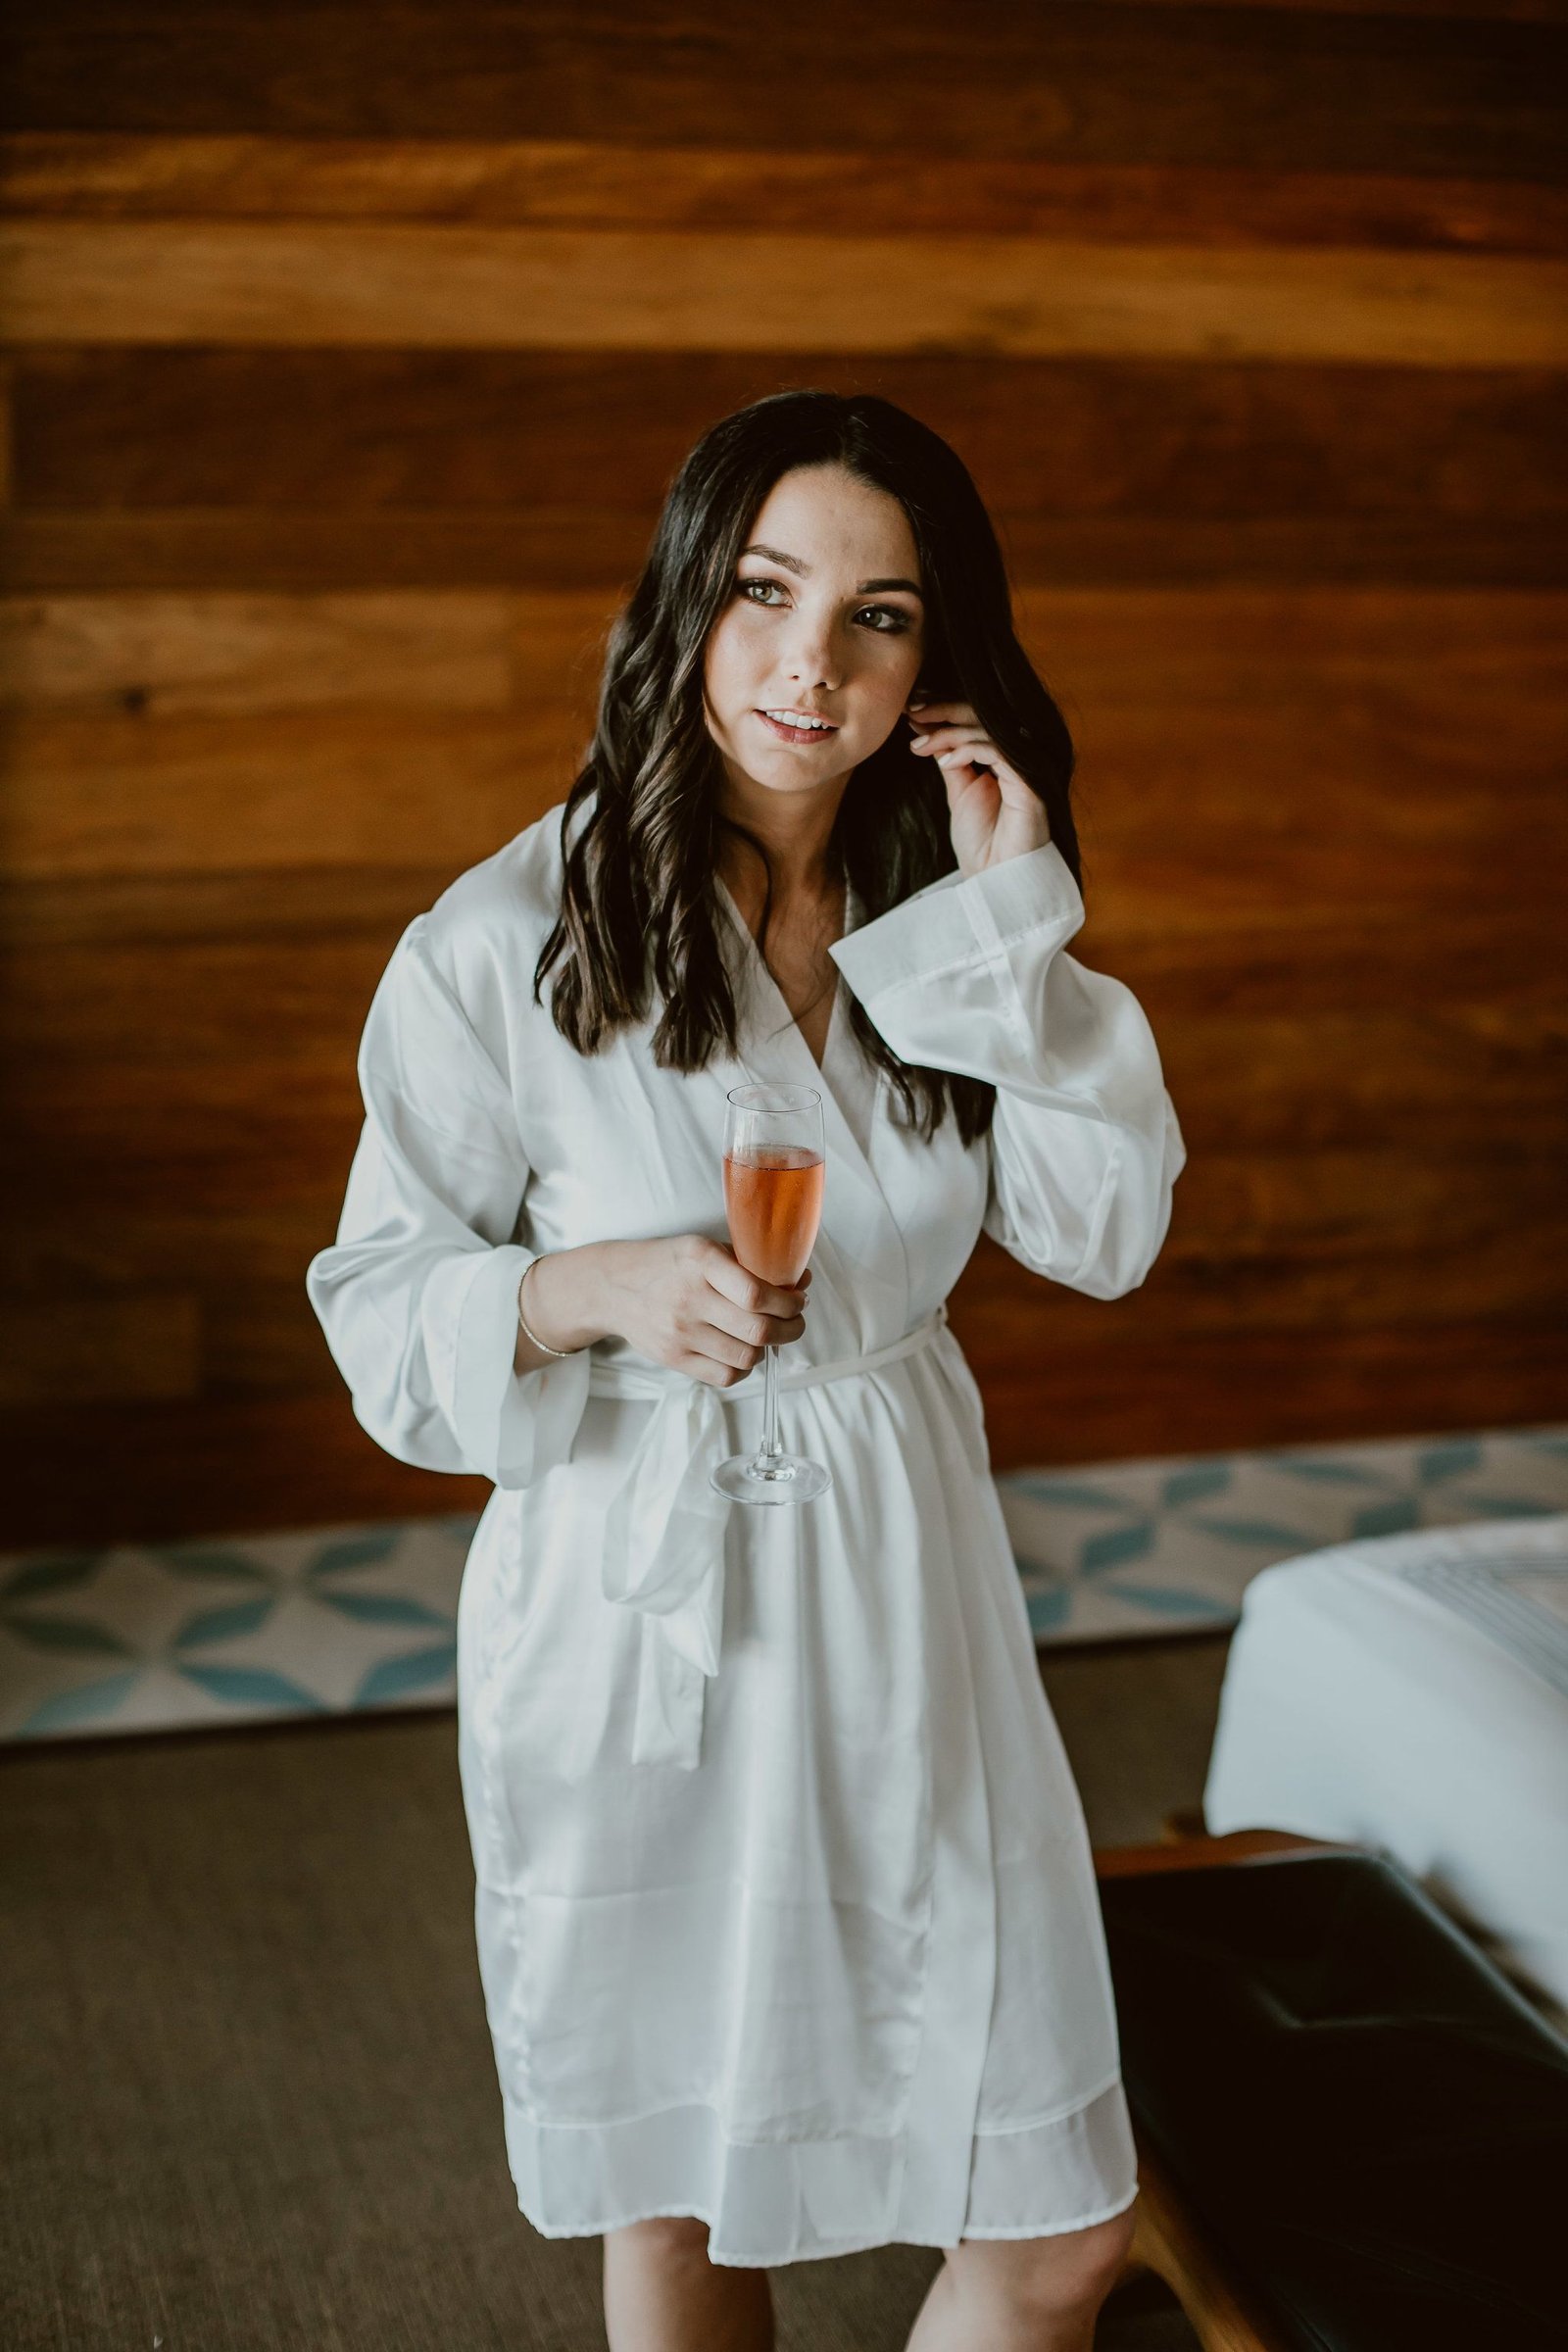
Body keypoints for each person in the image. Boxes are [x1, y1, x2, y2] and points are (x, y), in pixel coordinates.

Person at [307, 389, 1186, 2352]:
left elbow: (1099, 1234)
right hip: (641, 1595)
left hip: (901, 1588)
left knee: (1052, 2236)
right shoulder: (504, 939)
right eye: (764, 590)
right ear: (684, 604)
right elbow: (382, 1301)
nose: (809, 660)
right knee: (690, 2196)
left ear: (931, 658)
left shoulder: (944, 909)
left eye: (876, 615)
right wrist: (592, 1288)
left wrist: (1005, 933)